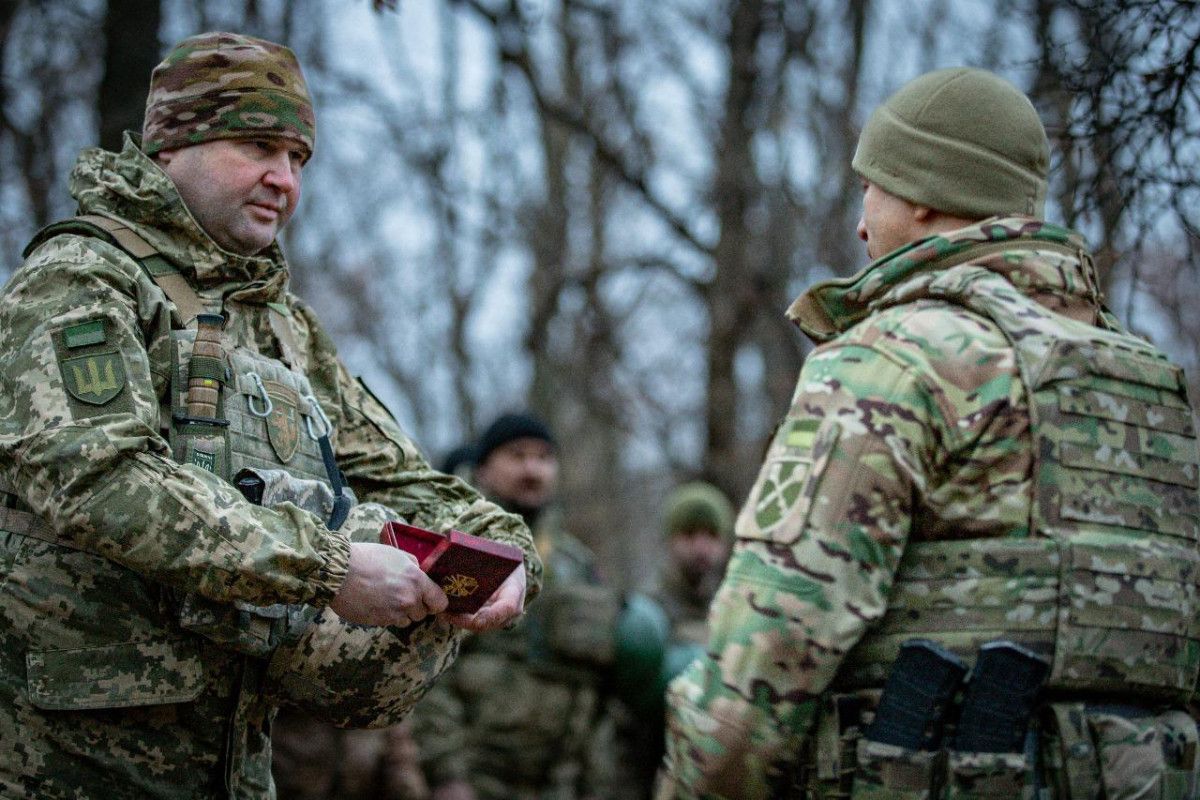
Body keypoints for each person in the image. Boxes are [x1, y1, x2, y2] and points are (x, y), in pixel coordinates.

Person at [0, 32, 540, 799]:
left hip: (239, 763)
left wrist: (511, 558)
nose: (282, 180)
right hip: (69, 765)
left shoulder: (279, 324)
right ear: (171, 145)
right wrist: (325, 569)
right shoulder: (79, 281)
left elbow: (403, 477)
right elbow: (96, 481)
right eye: (258, 146)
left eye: (298, 159)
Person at [659, 67, 1200, 799]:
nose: (860, 223)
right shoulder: (1151, 380)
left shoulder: (893, 358)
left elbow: (772, 646)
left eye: (869, 189)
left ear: (920, 195)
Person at [412, 413, 620, 800]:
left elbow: (597, 687)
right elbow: (425, 669)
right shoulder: (461, 552)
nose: (532, 469)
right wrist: (446, 774)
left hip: (558, 783)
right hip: (477, 778)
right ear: (485, 469)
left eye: (543, 457)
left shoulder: (578, 565)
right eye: (517, 455)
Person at [651, 481, 734, 648]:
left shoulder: (733, 608)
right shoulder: (651, 611)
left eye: (711, 535)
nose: (701, 548)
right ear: (670, 540)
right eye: (689, 534)